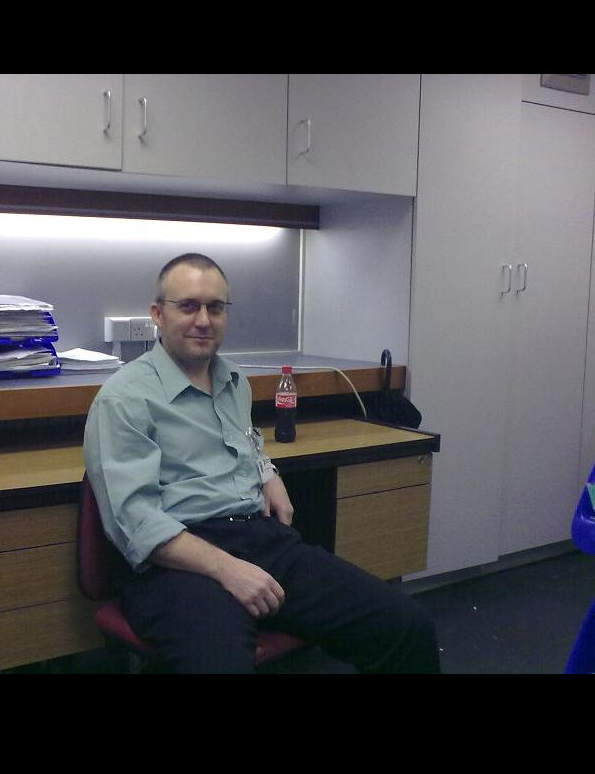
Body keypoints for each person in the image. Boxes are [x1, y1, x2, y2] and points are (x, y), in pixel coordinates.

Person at [83, 252, 441, 674]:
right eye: (189, 306)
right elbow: (136, 523)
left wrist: (267, 473)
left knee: (406, 625)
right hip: (175, 562)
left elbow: (246, 442)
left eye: (216, 307)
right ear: (158, 314)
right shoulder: (123, 399)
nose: (204, 320)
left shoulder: (234, 381)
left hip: (260, 539)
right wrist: (228, 569)